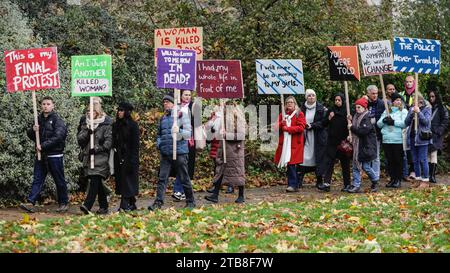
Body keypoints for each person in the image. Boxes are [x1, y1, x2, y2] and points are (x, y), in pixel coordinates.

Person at [20, 96, 69, 213]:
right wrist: (33, 130)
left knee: (59, 179)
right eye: (43, 104)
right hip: (41, 155)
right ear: (41, 106)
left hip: (54, 155)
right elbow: (31, 135)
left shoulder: (58, 120)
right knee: (38, 178)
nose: (45, 106)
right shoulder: (38, 119)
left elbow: (59, 137)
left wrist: (43, 146)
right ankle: (31, 202)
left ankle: (63, 203)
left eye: (48, 104)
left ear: (53, 106)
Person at [148, 92, 195, 210]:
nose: (165, 104)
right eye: (164, 102)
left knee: (184, 177)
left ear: (173, 104)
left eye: (167, 102)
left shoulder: (182, 116)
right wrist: (160, 144)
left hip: (180, 152)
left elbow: (189, 134)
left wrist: (178, 130)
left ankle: (190, 202)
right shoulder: (163, 118)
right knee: (162, 179)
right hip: (166, 153)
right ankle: (158, 203)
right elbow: (159, 134)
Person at [205, 101, 246, 203]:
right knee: (221, 172)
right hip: (224, 150)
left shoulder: (239, 119)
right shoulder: (223, 119)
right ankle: (215, 195)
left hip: (235, 151)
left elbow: (241, 135)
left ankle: (241, 195)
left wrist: (226, 135)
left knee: (237, 173)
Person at [78, 97, 113, 215]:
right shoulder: (85, 123)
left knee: (95, 179)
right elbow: (80, 140)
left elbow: (109, 141)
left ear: (97, 112)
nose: (89, 113)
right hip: (88, 157)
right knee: (96, 182)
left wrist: (97, 148)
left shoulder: (106, 123)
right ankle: (104, 206)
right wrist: (88, 132)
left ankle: (87, 205)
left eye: (91, 111)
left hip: (101, 157)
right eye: (87, 111)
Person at [273, 96, 306, 192]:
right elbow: (275, 128)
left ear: (295, 104)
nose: (289, 104)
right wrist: (281, 123)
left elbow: (301, 127)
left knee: (291, 164)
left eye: (291, 102)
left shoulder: (299, 114)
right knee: (288, 164)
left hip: (295, 143)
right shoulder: (282, 115)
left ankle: (293, 185)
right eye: (287, 102)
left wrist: (288, 129)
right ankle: (293, 184)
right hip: (285, 144)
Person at [320, 93, 351, 192]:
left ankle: (347, 184)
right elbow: (324, 123)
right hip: (332, 141)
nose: (337, 102)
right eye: (336, 100)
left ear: (343, 101)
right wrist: (329, 118)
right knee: (329, 163)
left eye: (339, 100)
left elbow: (351, 125)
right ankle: (326, 183)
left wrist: (350, 120)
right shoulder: (331, 110)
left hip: (343, 142)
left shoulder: (347, 111)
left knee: (345, 164)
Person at [347, 98, 379, 193]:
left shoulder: (367, 118)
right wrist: (350, 135)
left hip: (366, 146)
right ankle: (356, 185)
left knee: (366, 167)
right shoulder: (356, 116)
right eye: (356, 107)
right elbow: (356, 130)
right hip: (358, 146)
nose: (357, 109)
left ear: (364, 108)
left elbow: (363, 131)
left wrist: (352, 127)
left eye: (359, 107)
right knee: (356, 166)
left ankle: (375, 180)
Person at [113, 102, 140, 211]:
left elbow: (135, 144)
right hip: (118, 156)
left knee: (127, 180)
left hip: (129, 156)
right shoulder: (116, 125)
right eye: (118, 110)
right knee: (122, 180)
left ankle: (124, 205)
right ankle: (131, 202)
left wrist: (133, 159)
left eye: (122, 110)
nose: (119, 112)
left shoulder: (133, 125)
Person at [172, 90, 198, 201]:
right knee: (180, 164)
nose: (187, 97)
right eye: (185, 95)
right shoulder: (177, 106)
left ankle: (180, 190)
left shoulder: (194, 107)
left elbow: (197, 123)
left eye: (189, 95)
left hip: (189, 140)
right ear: (181, 95)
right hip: (178, 139)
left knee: (185, 165)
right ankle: (180, 190)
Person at [377, 93, 408, 188]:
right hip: (387, 139)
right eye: (396, 100)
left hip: (397, 140)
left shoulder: (403, 111)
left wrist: (394, 122)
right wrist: (384, 120)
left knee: (397, 160)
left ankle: (398, 179)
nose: (398, 102)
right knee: (389, 161)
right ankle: (392, 179)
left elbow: (405, 123)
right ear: (393, 102)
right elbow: (378, 124)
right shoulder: (387, 111)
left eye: (400, 100)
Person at [298, 89, 327, 189]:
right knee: (303, 157)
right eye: (309, 96)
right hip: (304, 136)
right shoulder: (301, 108)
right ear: (306, 97)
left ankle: (319, 180)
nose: (311, 97)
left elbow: (324, 122)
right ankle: (299, 180)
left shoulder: (321, 108)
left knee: (317, 157)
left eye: (313, 95)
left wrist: (312, 125)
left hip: (317, 136)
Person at [404, 93, 432, 184]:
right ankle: (418, 179)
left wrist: (419, 112)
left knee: (422, 159)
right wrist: (411, 113)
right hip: (412, 137)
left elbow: (426, 122)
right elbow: (406, 122)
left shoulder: (427, 108)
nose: (412, 101)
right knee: (415, 160)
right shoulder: (412, 108)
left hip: (421, 137)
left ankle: (425, 180)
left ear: (420, 99)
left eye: (414, 98)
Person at [427, 88, 448, 183]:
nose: (431, 98)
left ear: (436, 97)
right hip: (427, 134)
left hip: (436, 134)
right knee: (427, 155)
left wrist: (439, 131)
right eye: (430, 96)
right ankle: (428, 175)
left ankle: (432, 176)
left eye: (433, 96)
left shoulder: (441, 108)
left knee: (433, 154)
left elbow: (445, 120)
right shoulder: (427, 106)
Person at [366, 85, 385, 179]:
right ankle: (370, 174)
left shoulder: (381, 103)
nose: (375, 95)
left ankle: (376, 176)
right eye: (373, 93)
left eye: (376, 93)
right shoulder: (364, 102)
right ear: (368, 93)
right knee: (367, 155)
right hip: (365, 134)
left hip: (376, 133)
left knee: (376, 157)